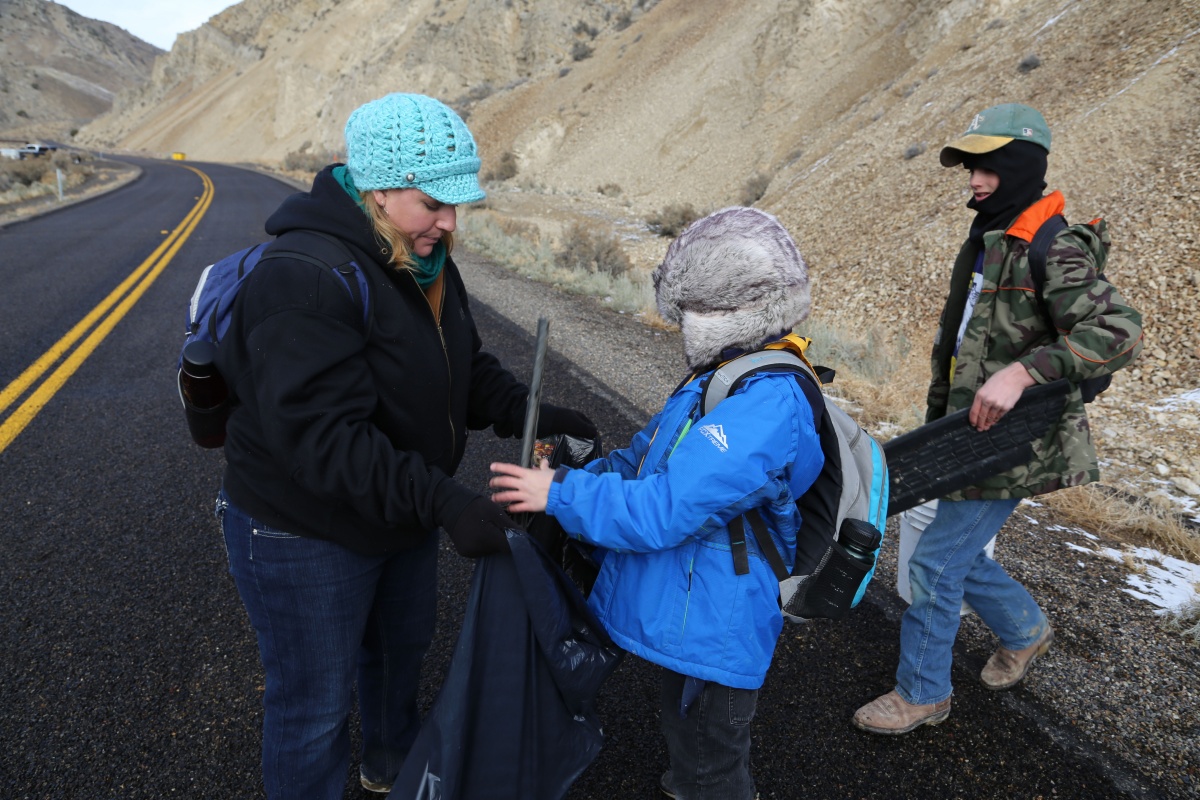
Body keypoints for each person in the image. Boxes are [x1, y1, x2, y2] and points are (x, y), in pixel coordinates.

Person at [212, 92, 596, 799]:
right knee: (312, 709)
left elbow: (460, 364)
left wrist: (528, 409)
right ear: (379, 192)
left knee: (397, 658)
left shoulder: (423, 260)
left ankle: (391, 764)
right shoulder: (304, 277)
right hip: (303, 529)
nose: (450, 223)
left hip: (397, 513)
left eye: (458, 204)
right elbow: (326, 443)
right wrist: (447, 502)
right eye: (433, 203)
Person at [490, 206, 823, 800]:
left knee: (713, 764)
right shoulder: (718, 381)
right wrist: (570, 473)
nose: (683, 326)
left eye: (692, 312)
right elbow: (644, 464)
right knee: (688, 736)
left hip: (724, 622)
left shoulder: (766, 402)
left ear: (726, 311)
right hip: (698, 607)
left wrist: (559, 493)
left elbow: (665, 508)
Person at [852, 103, 1143, 735]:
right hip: (974, 435)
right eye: (972, 170)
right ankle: (1025, 629)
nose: (975, 181)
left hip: (1019, 441)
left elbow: (1119, 330)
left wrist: (1024, 372)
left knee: (934, 564)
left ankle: (922, 693)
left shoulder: (1051, 244)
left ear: (1019, 166)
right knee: (951, 554)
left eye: (987, 168)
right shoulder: (995, 236)